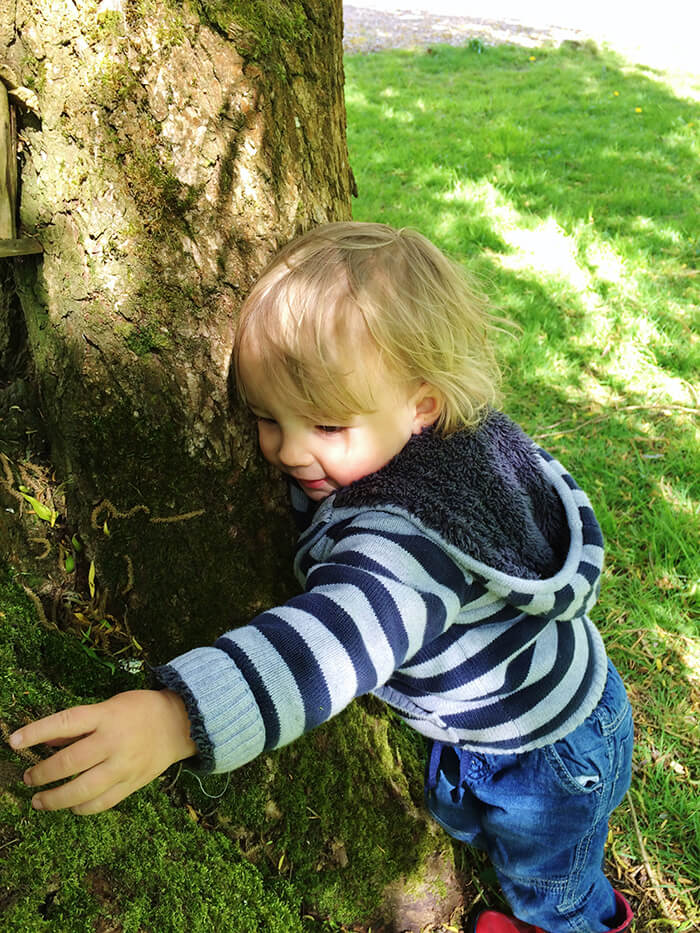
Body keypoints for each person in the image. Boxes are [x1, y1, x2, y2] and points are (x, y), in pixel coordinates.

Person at [7, 223, 634, 933]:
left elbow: (326, 644)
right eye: (266, 417)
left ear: (421, 405)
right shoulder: (451, 439)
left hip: (547, 755)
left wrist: (177, 718)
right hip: (526, 714)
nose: (289, 449)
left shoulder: (411, 546)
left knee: (551, 883)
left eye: (328, 427)